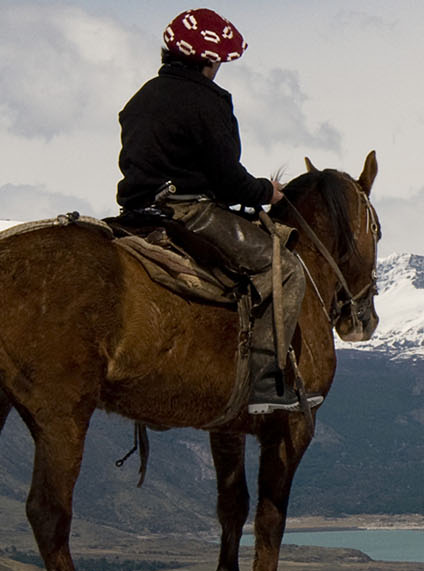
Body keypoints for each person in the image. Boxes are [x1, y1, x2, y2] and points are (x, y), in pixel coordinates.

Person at [117, 8, 315, 414]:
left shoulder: (139, 99)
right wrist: (266, 192)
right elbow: (228, 179)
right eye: (220, 59)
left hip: (135, 212)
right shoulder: (207, 101)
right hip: (189, 212)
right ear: (209, 60)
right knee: (285, 269)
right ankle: (264, 385)